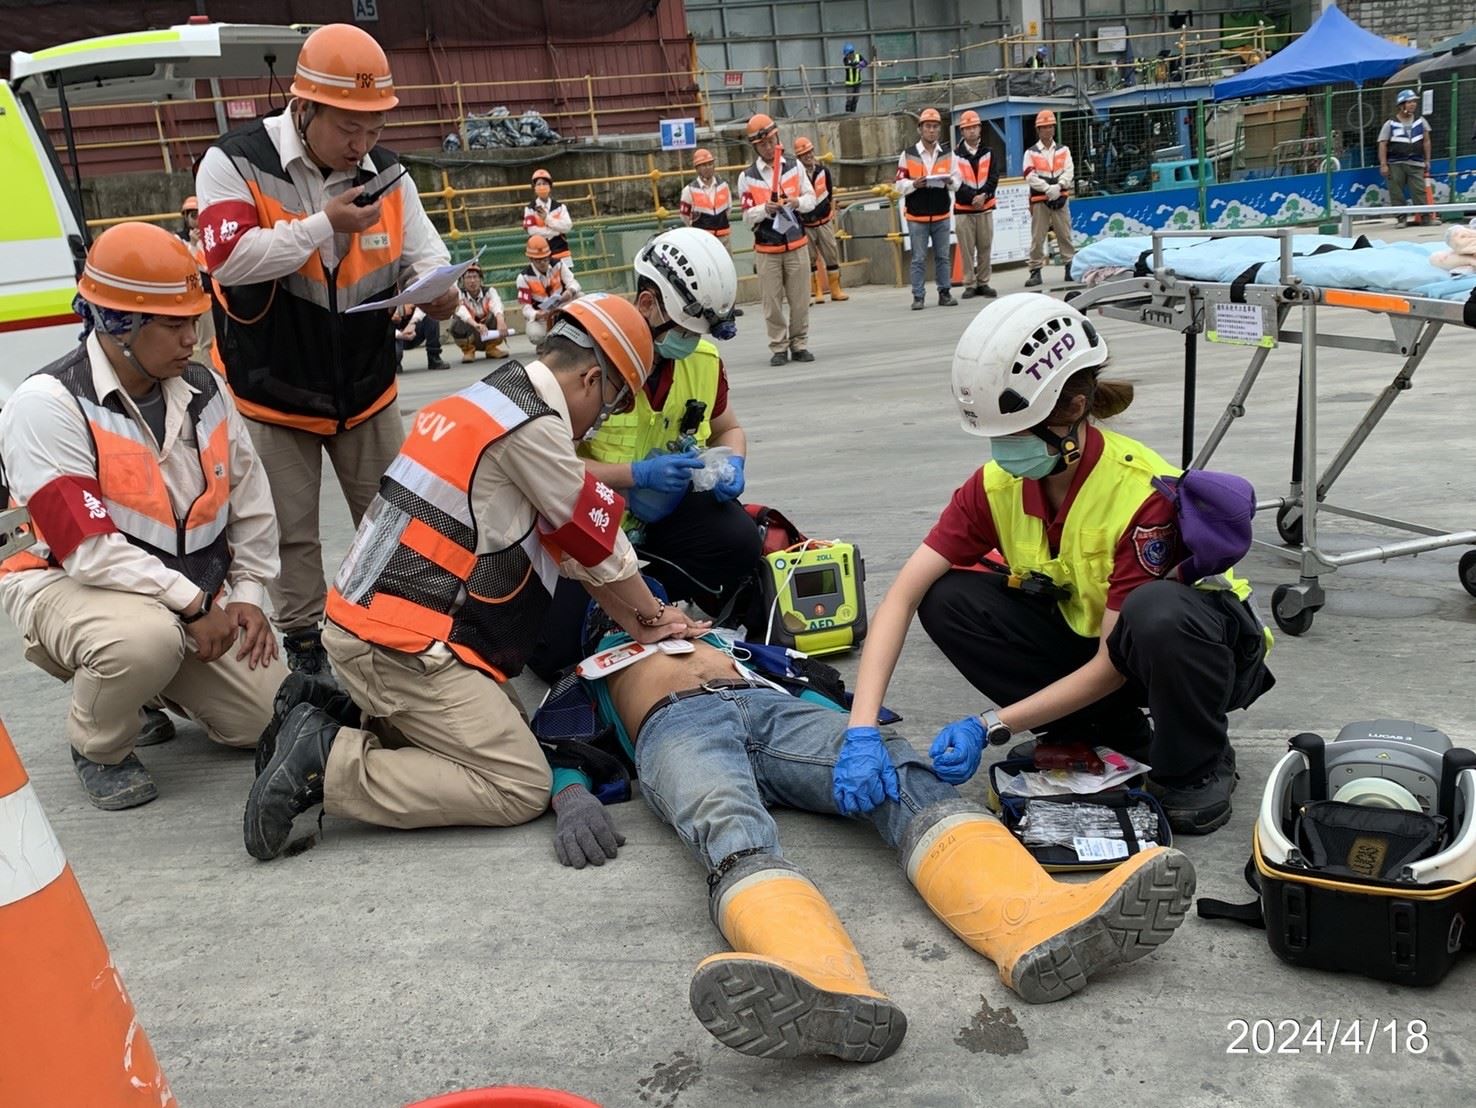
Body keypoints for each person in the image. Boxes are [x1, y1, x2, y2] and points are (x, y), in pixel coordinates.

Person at [545, 605, 1196, 1061]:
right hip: (676, 727)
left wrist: (866, 735)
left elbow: (818, 684)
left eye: (662, 600)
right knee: (728, 825)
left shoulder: (730, 645)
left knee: (897, 772)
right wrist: (569, 792)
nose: (656, 607)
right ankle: (815, 977)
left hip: (775, 713)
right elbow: (558, 736)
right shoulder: (592, 667)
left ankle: (1035, 919)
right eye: (638, 602)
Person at [243, 294, 708, 861]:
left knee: (514, 730)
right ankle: (329, 764)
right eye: (609, 407)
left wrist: (638, 625)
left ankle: (336, 712)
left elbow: (571, 552)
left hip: (372, 623)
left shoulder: (487, 398)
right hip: (402, 643)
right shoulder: (531, 427)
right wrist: (656, 618)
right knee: (520, 784)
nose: (599, 424)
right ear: (590, 379)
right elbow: (596, 542)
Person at [846, 295, 1275, 835]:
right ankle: (1106, 731)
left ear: (1073, 409)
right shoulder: (996, 486)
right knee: (948, 598)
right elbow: (902, 597)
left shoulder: (1138, 493)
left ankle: (1198, 763)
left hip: (1194, 655)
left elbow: (1115, 662)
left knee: (1157, 611)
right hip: (1102, 646)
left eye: (1016, 433)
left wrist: (992, 725)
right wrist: (860, 730)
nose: (1003, 451)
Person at [195, 23, 458, 676]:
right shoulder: (235, 162)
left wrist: (444, 293)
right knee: (290, 533)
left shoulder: (390, 174)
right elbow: (228, 260)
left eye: (373, 128)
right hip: (274, 389)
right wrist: (321, 225)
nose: (363, 143)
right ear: (305, 107)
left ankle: (395, 628)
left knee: (393, 521)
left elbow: (427, 254)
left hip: (367, 389)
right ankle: (307, 644)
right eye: (350, 127)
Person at [0, 223, 286, 810]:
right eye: (175, 323)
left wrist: (249, 595)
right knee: (140, 640)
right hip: (64, 580)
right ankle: (99, 744)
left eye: (194, 319)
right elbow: (88, 550)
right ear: (118, 324)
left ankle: (149, 690)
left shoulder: (205, 388)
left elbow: (250, 500)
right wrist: (198, 606)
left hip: (183, 589)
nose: (192, 337)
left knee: (264, 717)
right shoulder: (47, 405)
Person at [529, 227, 754, 678]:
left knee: (740, 541)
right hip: (581, 527)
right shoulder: (584, 363)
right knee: (555, 655)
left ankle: (650, 594)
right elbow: (546, 464)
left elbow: (728, 429)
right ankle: (626, 600)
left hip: (660, 517)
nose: (690, 343)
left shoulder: (703, 362)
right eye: (687, 331)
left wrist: (731, 459)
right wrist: (634, 474)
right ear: (647, 304)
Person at [740, 114, 816, 367]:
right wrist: (765, 209)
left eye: (771, 141)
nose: (768, 147)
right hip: (767, 247)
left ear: (777, 138)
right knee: (771, 302)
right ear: (755, 146)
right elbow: (746, 215)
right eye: (762, 144)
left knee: (800, 299)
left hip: (796, 244)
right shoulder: (747, 177)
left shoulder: (794, 167)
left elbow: (811, 198)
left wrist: (795, 202)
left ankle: (800, 343)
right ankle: (779, 346)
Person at [895, 108, 957, 311]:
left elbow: (958, 180)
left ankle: (944, 293)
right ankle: (918, 296)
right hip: (917, 216)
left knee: (943, 257)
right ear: (920, 129)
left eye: (935, 127)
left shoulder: (948, 154)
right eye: (928, 126)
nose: (931, 130)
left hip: (941, 213)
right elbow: (899, 184)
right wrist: (914, 184)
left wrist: (949, 182)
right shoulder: (909, 154)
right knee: (918, 259)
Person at [1023, 109, 1075, 287]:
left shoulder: (1064, 150)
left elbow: (1069, 171)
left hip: (1060, 197)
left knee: (1064, 234)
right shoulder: (1031, 153)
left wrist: (1059, 186)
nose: (1048, 130)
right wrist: (1047, 189)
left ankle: (1070, 267)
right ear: (1038, 130)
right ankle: (1035, 270)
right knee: (1038, 237)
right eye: (1044, 127)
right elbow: (1029, 175)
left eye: (1050, 126)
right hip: (1039, 200)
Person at [794, 137, 849, 304]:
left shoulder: (823, 172)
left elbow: (829, 194)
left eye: (809, 152)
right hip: (806, 223)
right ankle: (816, 291)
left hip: (824, 220)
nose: (808, 156)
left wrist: (829, 211)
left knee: (831, 254)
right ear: (799, 158)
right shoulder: (797, 176)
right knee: (809, 257)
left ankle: (835, 289)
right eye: (804, 154)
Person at [953, 110, 998, 299]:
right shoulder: (955, 156)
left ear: (980, 129)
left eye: (974, 127)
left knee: (985, 246)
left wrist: (984, 195)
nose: (971, 131)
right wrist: (973, 197)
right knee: (966, 248)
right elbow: (955, 181)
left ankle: (984, 282)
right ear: (962, 132)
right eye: (967, 128)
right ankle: (969, 283)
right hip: (964, 209)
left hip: (985, 207)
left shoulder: (989, 152)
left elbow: (994, 177)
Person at [1379, 90, 1432, 227]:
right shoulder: (1390, 123)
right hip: (1395, 164)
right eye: (1409, 102)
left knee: (1419, 190)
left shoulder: (1420, 121)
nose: (1413, 104)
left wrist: (1427, 160)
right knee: (1396, 192)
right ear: (1401, 105)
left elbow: (1426, 141)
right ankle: (1401, 219)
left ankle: (1426, 218)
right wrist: (1383, 164)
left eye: (1414, 101)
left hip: (1416, 162)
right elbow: (1383, 144)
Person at [177, 195, 219, 365]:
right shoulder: (179, 240)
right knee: (207, 342)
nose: (197, 219)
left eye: (200, 214)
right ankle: (213, 374)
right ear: (186, 218)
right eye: (193, 215)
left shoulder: (211, 235)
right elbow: (188, 265)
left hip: (219, 293)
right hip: (201, 297)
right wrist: (193, 245)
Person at [517, 237, 581, 345]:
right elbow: (525, 308)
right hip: (543, 315)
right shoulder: (524, 277)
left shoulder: (558, 264)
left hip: (562, 305)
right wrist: (537, 314)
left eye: (545, 259)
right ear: (531, 259)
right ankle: (545, 343)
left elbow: (574, 283)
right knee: (535, 336)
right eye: (538, 260)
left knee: (580, 296)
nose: (543, 263)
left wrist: (570, 291)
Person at [449, 261, 509, 363]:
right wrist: (475, 324)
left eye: (475, 277)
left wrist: (500, 319)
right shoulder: (459, 294)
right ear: (462, 280)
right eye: (468, 277)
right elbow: (461, 310)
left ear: (480, 279)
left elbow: (497, 304)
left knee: (498, 315)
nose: (472, 281)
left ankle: (491, 348)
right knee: (458, 320)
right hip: (471, 333)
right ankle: (468, 350)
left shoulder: (490, 291)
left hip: (487, 333)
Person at [679, 148, 732, 252]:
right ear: (697, 168)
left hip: (723, 237)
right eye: (703, 165)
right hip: (702, 239)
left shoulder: (724, 186)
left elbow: (728, 208)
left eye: (710, 164)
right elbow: (684, 216)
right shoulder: (689, 190)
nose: (707, 167)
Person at [524, 168, 573, 262]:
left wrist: (547, 218)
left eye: (545, 183)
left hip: (562, 252)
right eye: (538, 184)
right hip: (540, 255)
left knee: (567, 276)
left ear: (550, 186)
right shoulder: (530, 209)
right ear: (534, 187)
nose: (542, 187)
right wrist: (556, 232)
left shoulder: (560, 207)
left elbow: (567, 226)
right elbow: (532, 231)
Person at [391, 304, 446, 372]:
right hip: (393, 336)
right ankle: (393, 364)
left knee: (431, 313)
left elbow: (426, 304)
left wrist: (413, 322)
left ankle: (434, 357)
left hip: (414, 330)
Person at [842, 42, 868, 113]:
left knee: (855, 100)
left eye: (848, 54)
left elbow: (866, 62)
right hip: (849, 83)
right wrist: (857, 63)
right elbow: (849, 64)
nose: (847, 56)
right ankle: (847, 115)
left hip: (858, 82)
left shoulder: (858, 56)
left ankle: (853, 114)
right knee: (849, 100)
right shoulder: (845, 59)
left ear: (851, 53)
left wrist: (863, 64)